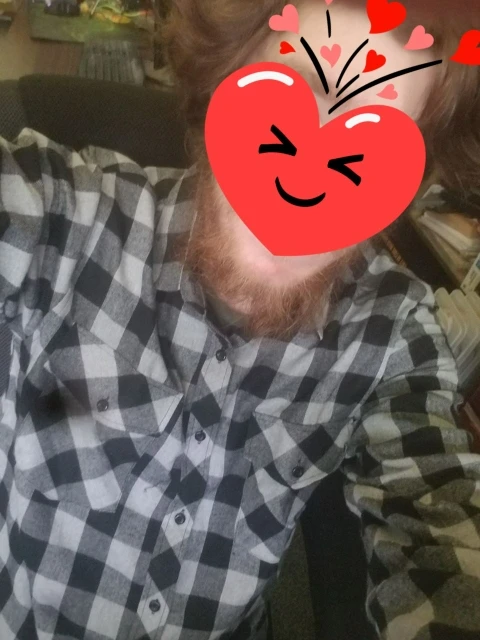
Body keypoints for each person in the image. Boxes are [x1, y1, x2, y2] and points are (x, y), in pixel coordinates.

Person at [0, 0, 480, 638]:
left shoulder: (392, 335)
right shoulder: (64, 218)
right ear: (223, 74)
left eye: (370, 148)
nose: (307, 183)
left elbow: (441, 534)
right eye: (290, 97)